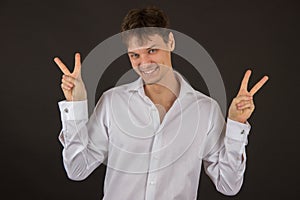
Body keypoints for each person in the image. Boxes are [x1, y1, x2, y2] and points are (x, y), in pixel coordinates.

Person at [54, 6, 268, 200]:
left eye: (152, 50)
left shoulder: (206, 110)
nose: (144, 63)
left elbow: (228, 184)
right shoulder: (112, 102)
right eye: (135, 55)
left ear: (171, 42)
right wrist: (75, 106)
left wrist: (236, 125)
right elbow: (77, 169)